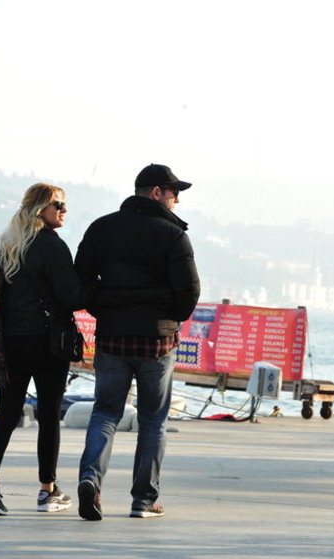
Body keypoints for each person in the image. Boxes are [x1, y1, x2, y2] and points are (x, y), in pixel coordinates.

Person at [74, 163, 200, 520]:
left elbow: (81, 281)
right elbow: (189, 292)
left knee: (105, 413)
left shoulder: (102, 227)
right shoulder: (173, 235)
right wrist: (170, 316)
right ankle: (143, 501)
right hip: (157, 342)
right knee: (152, 420)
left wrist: (103, 306)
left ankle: (90, 480)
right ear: (157, 192)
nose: (177, 200)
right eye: (174, 193)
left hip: (112, 337)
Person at [0, 182, 93, 516]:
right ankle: (47, 491)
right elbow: (71, 296)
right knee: (49, 415)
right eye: (58, 204)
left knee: (8, 414)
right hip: (47, 343)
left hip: (11, 341)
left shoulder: (10, 245)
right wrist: (95, 285)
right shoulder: (52, 246)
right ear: (40, 208)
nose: (64, 210)